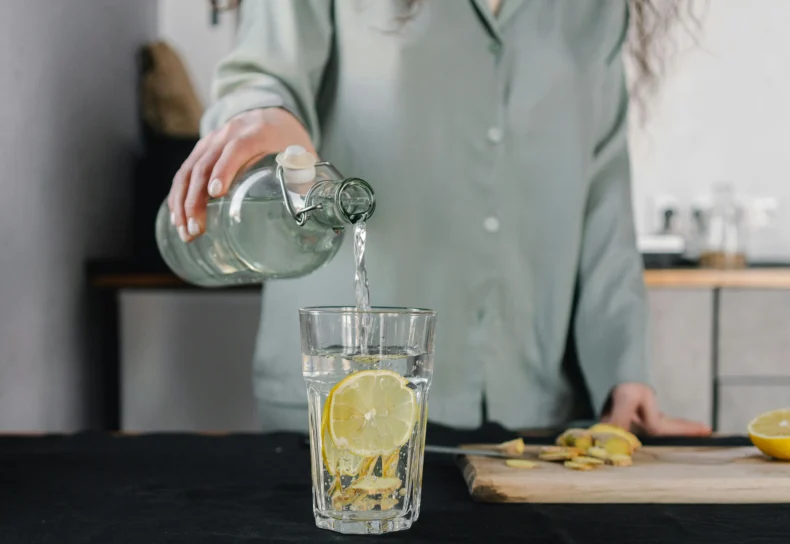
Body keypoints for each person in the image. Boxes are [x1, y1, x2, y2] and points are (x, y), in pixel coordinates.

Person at [168, 0, 711, 437]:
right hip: (347, 401)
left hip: (534, 410)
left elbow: (603, 202)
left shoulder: (597, 10)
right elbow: (264, 75)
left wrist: (624, 368)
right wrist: (267, 117)